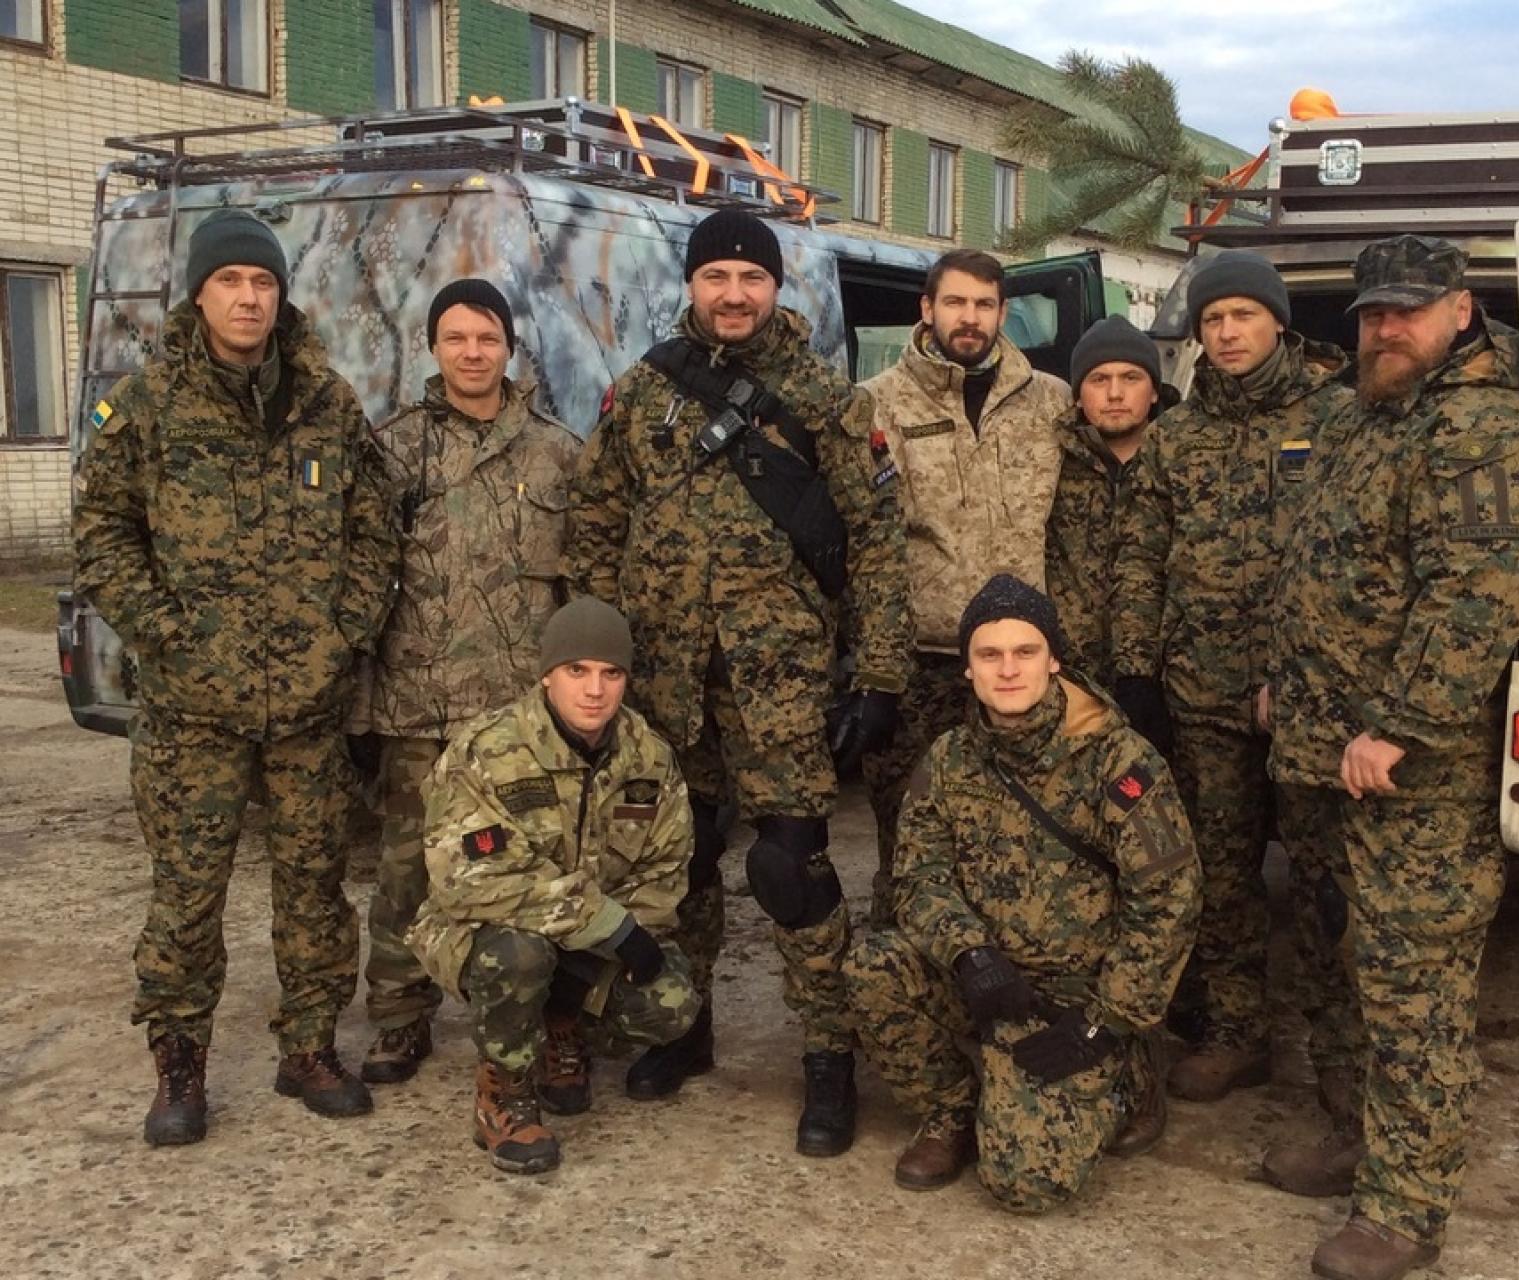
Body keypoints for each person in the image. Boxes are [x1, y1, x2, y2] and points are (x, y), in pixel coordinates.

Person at [563, 208, 913, 1156]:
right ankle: (685, 1028)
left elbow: (878, 545)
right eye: (715, 276)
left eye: (749, 278)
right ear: (692, 286)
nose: (732, 294)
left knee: (790, 872)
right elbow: (595, 526)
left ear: (775, 287)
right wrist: (597, 664)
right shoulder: (642, 396)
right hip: (666, 686)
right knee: (679, 867)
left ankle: (829, 1062)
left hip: (783, 686)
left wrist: (877, 676)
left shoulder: (829, 400)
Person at [73, 209, 398, 1145]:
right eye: (231, 283)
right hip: (191, 712)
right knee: (187, 893)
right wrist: (164, 633)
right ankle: (180, 1067)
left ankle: (309, 1048)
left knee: (314, 887)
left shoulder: (326, 405)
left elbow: (376, 526)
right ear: (201, 295)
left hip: (307, 707)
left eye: (263, 283)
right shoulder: (149, 405)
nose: (250, 298)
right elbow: (102, 533)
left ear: (281, 294)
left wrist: (344, 632)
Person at [1261, 235, 1519, 1280]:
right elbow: (1311, 565)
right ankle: (1348, 1134)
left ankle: (1402, 1206)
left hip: (1405, 771)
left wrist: (1399, 726)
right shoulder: (1351, 413)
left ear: (1458, 312)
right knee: (1331, 955)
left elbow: (1472, 593)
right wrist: (1281, 680)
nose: (1384, 326)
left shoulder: (1473, 428)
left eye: (1408, 311)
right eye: (1373, 310)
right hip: (1318, 748)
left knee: (1409, 986)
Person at [846, 575, 1202, 1212]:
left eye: (1025, 652)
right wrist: (969, 955)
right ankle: (952, 1109)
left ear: (1055, 659)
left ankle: (1129, 1073)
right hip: (988, 981)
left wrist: (1104, 1023)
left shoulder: (1117, 760)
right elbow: (918, 878)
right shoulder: (949, 759)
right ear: (967, 670)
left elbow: (1170, 902)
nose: (1008, 670)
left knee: (1026, 1183)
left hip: (1080, 999)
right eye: (989, 655)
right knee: (873, 967)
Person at [1112, 251, 1352, 1103]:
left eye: (1243, 317)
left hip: (1310, 699)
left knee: (1327, 884)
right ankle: (1238, 1032)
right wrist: (1139, 673)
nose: (1226, 332)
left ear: (1277, 324)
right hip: (1202, 692)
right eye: (1214, 320)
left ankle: (1339, 1064)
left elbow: (1361, 564)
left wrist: (1310, 674)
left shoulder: (1340, 420)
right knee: (1219, 871)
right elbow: (1139, 559)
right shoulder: (1177, 434)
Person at [353, 278, 580, 1088]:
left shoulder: (558, 450)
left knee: (536, 865)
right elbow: (362, 573)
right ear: (434, 348)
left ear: (510, 348)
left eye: (487, 338)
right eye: (456, 338)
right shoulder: (393, 450)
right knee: (408, 866)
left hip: (524, 714)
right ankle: (399, 1017)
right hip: (423, 703)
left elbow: (580, 590)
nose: (473, 353)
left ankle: (551, 1021)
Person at [408, 598, 699, 1175]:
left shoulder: (648, 759)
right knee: (520, 953)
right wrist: (605, 926)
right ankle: (504, 1091)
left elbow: (664, 872)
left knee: (671, 1003)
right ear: (547, 675)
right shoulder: (487, 750)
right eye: (577, 671)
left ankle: (560, 1026)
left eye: (610, 673)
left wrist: (621, 936)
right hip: (478, 933)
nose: (595, 690)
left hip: (586, 942)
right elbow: (472, 881)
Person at [858, 249, 1072, 924]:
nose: (969, 318)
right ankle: (902, 993)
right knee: (911, 839)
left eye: (984, 305)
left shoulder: (1051, 402)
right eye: (955, 303)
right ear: (927, 310)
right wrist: (875, 672)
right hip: (925, 663)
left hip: (1022, 668)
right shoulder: (877, 403)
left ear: (1003, 314)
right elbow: (865, 542)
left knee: (1022, 841)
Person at [1046, 314, 1170, 686]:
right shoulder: (1048, 464)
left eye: (1131, 378)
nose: (1115, 393)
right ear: (1078, 397)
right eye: (1099, 379)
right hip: (1069, 677)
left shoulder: (1184, 464)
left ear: (1154, 391)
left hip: (1166, 680)